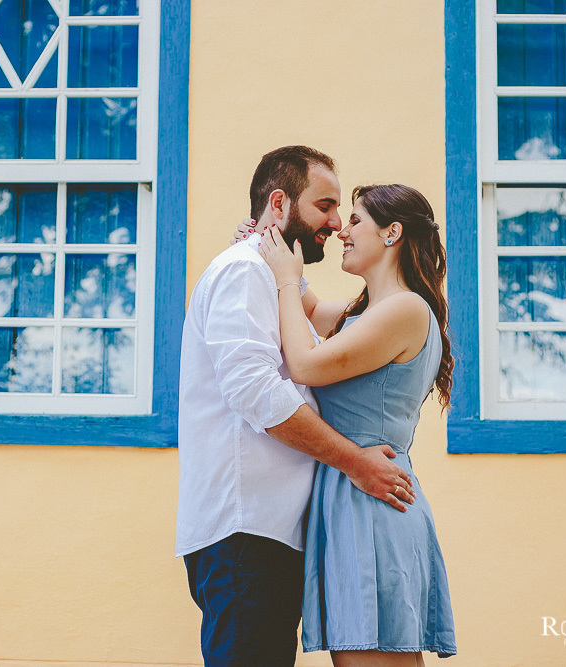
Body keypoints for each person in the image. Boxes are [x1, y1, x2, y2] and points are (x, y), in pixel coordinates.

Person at [176, 147, 417, 666]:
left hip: (269, 533)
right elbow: (255, 390)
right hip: (247, 531)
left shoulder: (269, 277)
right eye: (326, 206)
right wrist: (356, 462)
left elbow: (331, 326)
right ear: (280, 202)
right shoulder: (245, 272)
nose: (335, 223)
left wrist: (293, 278)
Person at [256, 183, 457, 665]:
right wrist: (270, 247)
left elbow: (303, 364)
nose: (342, 231)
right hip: (353, 495)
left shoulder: (404, 310)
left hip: (370, 500)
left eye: (355, 221)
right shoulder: (367, 314)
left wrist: (286, 277)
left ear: (392, 233)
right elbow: (307, 312)